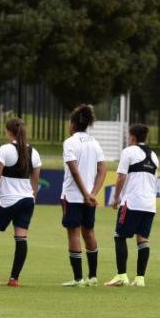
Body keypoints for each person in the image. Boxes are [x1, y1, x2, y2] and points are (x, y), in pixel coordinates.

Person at [0, 118, 41, 287]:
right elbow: (35, 178)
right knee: (21, 237)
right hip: (27, 200)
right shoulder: (33, 152)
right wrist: (33, 197)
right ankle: (14, 278)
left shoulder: (5, 149)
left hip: (8, 201)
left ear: (8, 131)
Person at [105, 124, 160, 287]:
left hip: (132, 202)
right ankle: (140, 278)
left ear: (133, 137)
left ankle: (121, 275)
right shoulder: (155, 156)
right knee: (142, 239)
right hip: (149, 204)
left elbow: (121, 177)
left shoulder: (128, 152)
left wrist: (116, 198)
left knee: (119, 236)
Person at [59, 104, 107, 287]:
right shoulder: (94, 142)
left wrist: (86, 194)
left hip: (73, 196)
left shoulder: (69, 143)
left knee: (74, 234)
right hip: (90, 198)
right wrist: (93, 193)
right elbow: (102, 169)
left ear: (72, 124)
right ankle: (93, 277)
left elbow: (74, 171)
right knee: (89, 232)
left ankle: (78, 278)